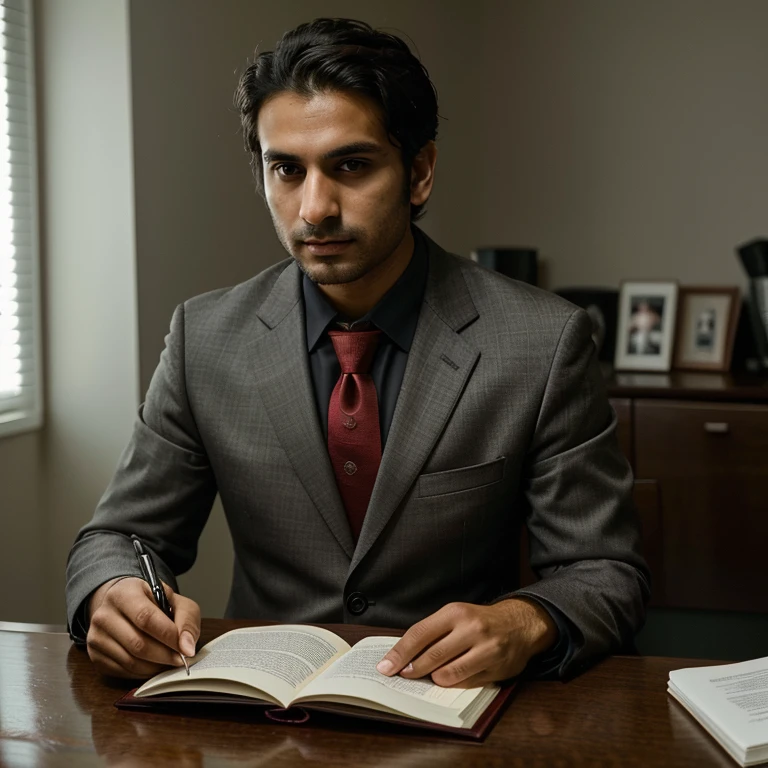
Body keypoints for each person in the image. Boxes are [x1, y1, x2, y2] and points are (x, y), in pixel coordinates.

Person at [66, 18, 649, 686]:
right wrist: (107, 593)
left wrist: (527, 620)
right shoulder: (204, 338)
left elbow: (608, 572)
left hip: (452, 710)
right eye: (286, 169)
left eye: (351, 165)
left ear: (420, 171)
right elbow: (117, 536)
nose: (315, 208)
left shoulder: (542, 344)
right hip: (260, 718)